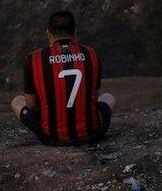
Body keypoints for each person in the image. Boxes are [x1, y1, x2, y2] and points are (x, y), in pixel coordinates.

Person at [10, 10, 115, 146]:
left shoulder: (34, 59)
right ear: (75, 32)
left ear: (48, 33)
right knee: (109, 98)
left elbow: (31, 105)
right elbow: (94, 95)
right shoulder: (91, 54)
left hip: (51, 137)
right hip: (91, 134)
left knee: (17, 101)